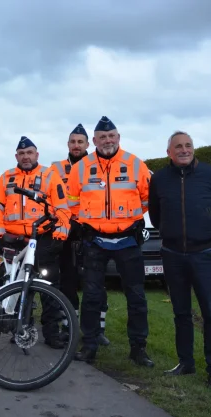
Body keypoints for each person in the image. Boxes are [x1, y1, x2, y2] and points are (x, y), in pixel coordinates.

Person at [148, 131, 211, 390]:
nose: (184, 150)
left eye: (188, 145)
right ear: (169, 153)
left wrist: (208, 233)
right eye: (178, 147)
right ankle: (186, 362)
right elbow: (155, 214)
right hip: (173, 255)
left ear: (193, 149)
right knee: (181, 312)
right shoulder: (160, 179)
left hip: (204, 254)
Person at [66, 116, 153, 367]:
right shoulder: (81, 167)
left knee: (136, 296)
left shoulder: (136, 164)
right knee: (92, 296)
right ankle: (89, 345)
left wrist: (130, 219)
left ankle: (138, 348)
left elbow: (147, 198)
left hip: (128, 241)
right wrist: (86, 222)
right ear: (94, 141)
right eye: (102, 137)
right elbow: (72, 202)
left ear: (118, 138)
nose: (107, 140)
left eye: (111, 136)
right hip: (95, 242)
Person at [0, 136, 72, 348]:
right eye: (22, 153)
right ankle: (20, 329)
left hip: (43, 239)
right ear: (16, 156)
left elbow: (62, 209)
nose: (26, 157)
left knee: (49, 286)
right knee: (14, 285)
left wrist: (59, 236)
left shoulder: (50, 176)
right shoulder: (6, 178)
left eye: (30, 153)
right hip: (13, 239)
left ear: (37, 155)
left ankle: (51, 334)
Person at [50, 124, 110, 347]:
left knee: (96, 282)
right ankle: (68, 326)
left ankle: (97, 329)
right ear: (68, 144)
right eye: (73, 142)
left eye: (80, 142)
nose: (76, 146)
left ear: (88, 144)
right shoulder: (55, 169)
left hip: (92, 233)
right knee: (67, 281)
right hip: (66, 232)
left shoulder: (99, 166)